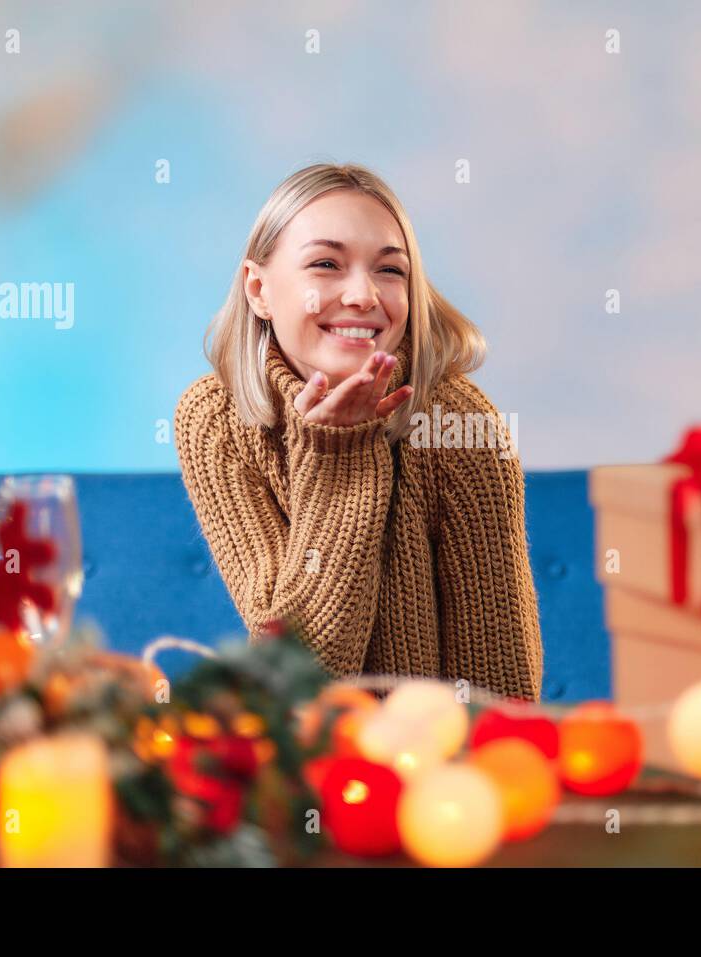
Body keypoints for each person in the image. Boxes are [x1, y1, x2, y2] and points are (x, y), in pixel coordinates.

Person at [174, 163, 543, 701]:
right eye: (326, 263)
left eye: (390, 271)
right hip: (309, 761)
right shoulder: (216, 421)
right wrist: (337, 459)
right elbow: (295, 684)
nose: (364, 296)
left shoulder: (459, 423)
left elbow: (496, 688)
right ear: (258, 289)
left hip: (434, 767)